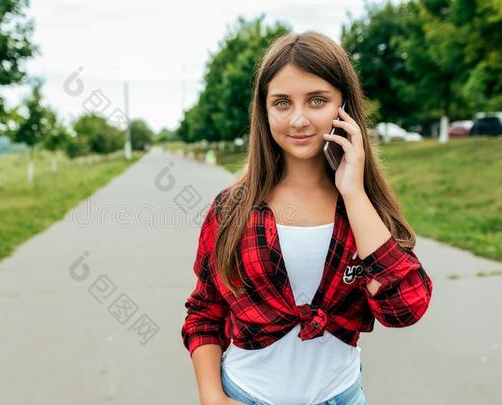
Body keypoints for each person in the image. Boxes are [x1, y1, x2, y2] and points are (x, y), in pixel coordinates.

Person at [180, 31, 434, 405]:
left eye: (317, 100)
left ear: (344, 107)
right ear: (264, 112)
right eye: (282, 103)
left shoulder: (364, 210)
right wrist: (211, 397)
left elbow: (405, 308)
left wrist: (354, 192)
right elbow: (204, 311)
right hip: (245, 395)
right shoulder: (231, 210)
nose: (298, 119)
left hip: (340, 396)